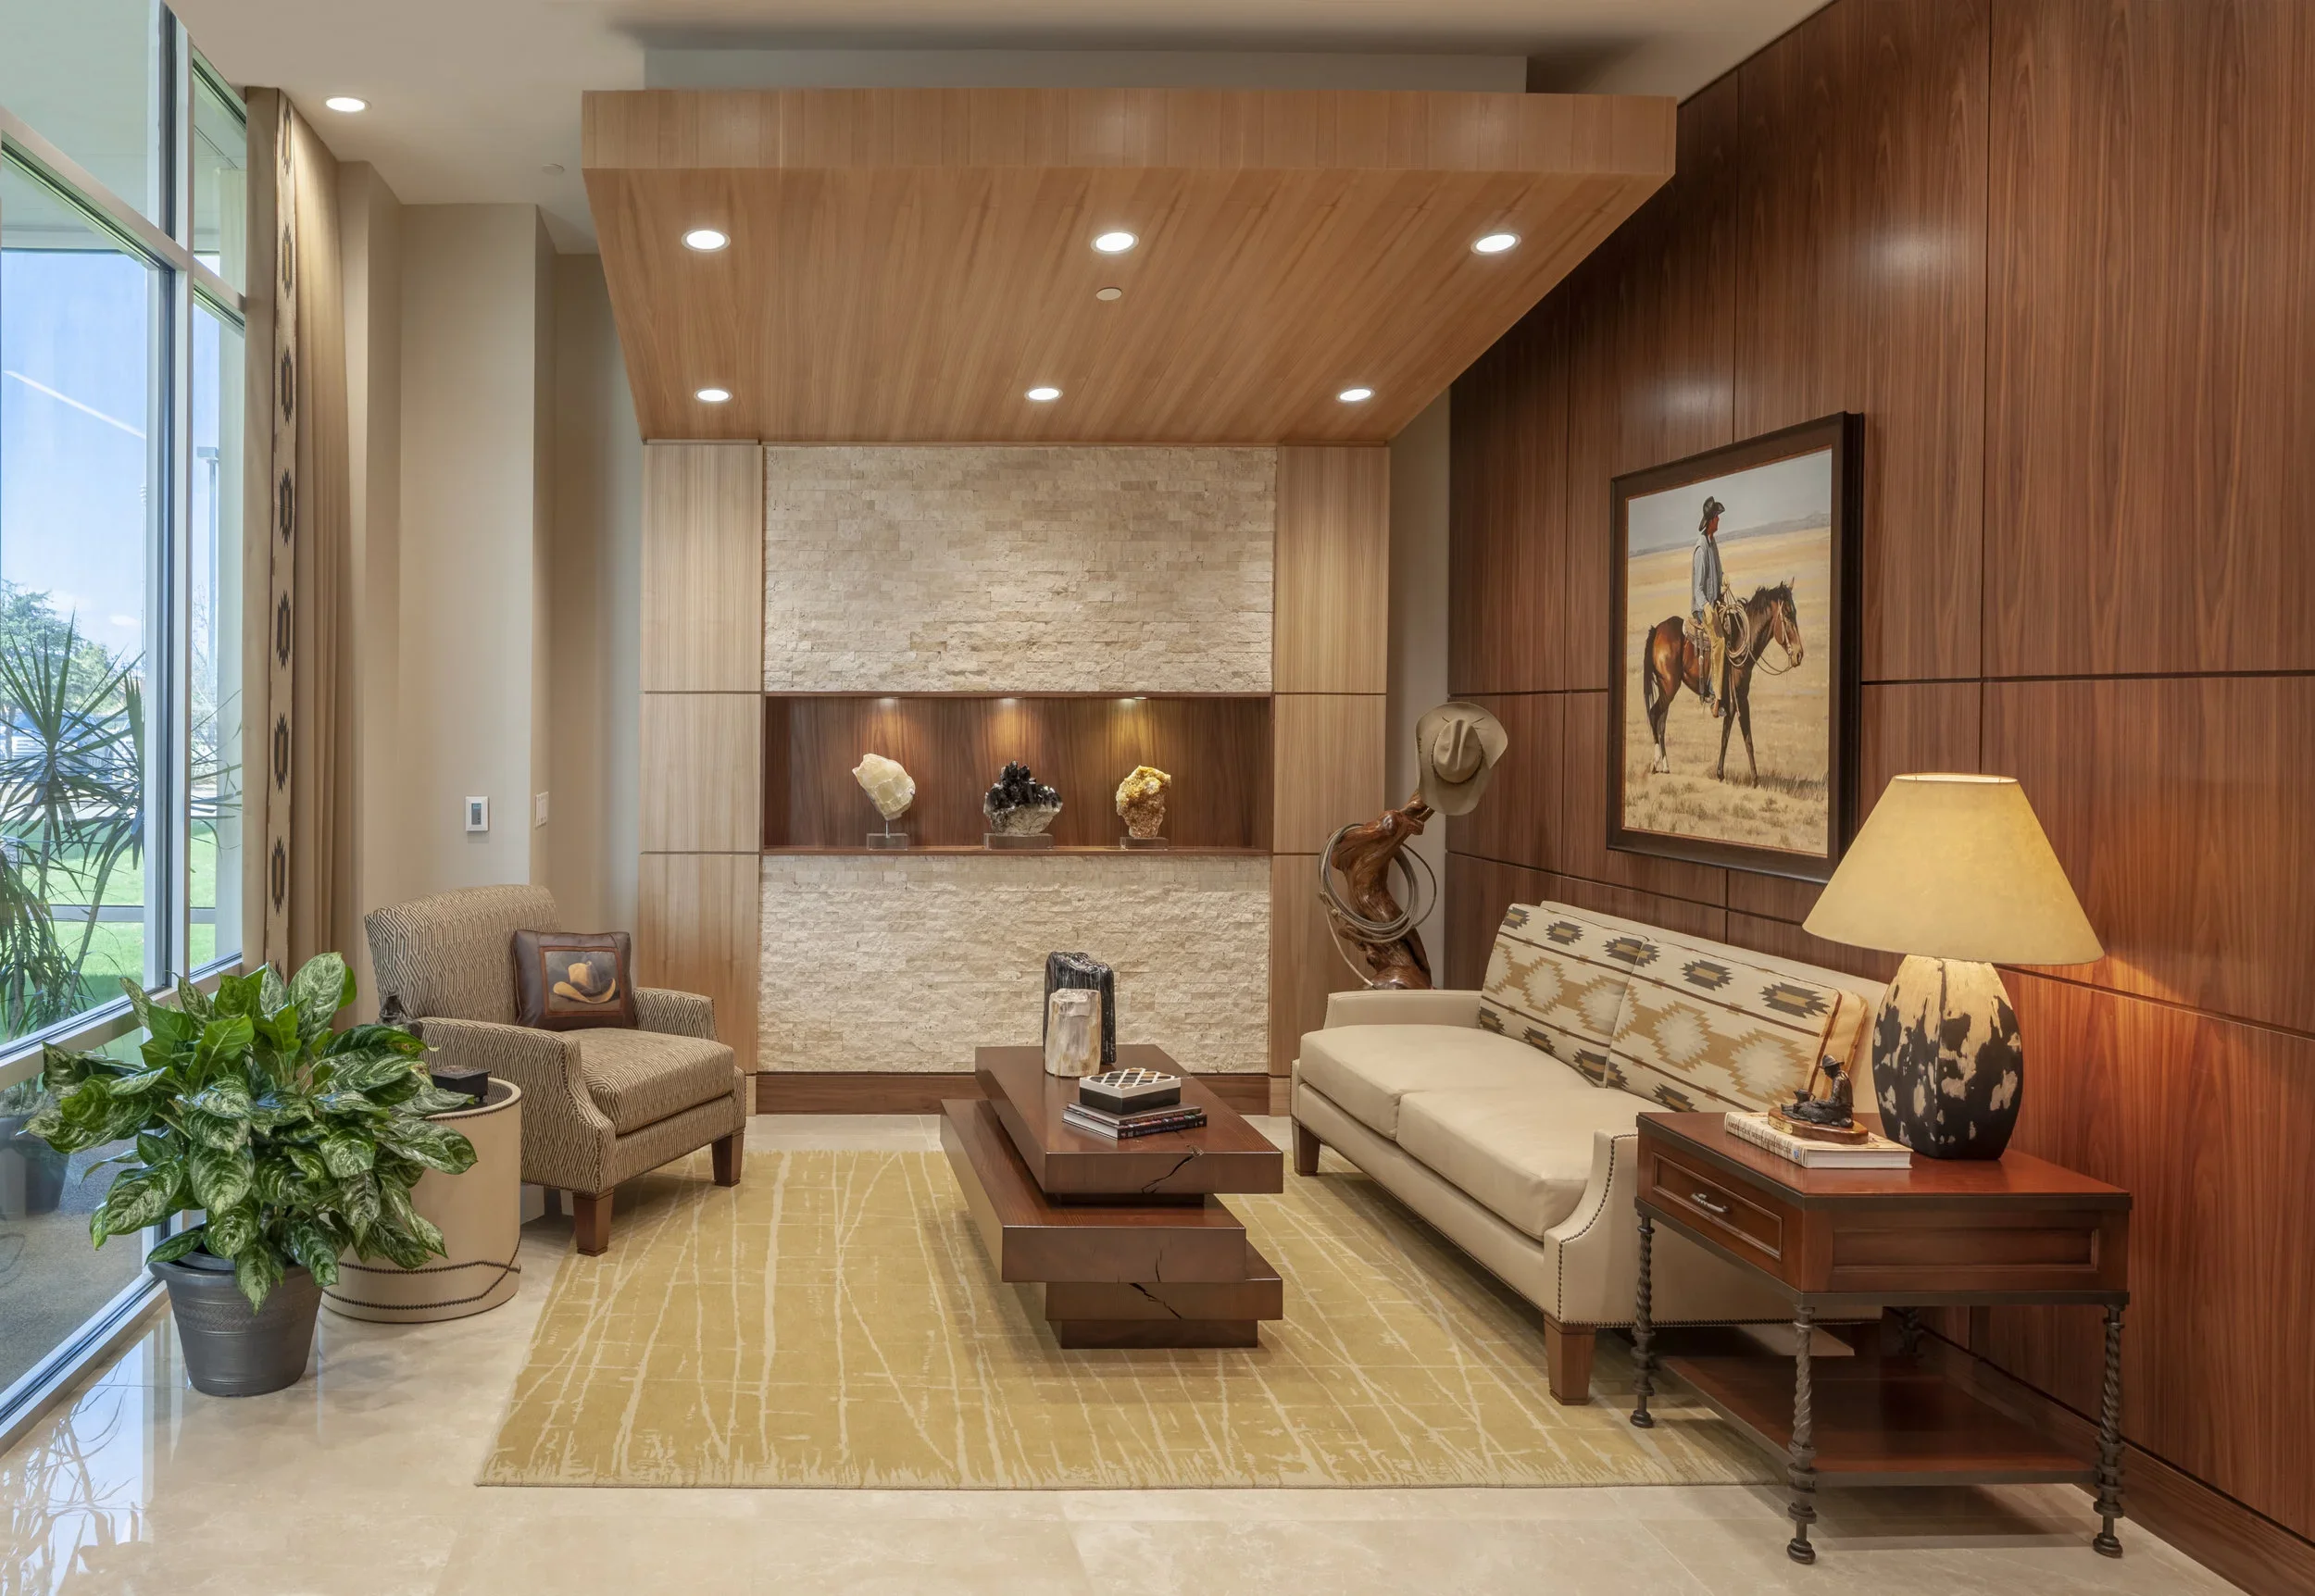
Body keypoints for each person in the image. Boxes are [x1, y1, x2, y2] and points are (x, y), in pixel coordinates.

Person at [1690, 495, 1730, 717]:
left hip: (1714, 601)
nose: (1719, 520)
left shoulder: (1713, 544)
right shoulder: (1701, 549)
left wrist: (1723, 579)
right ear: (1711, 520)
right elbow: (1698, 588)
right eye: (1717, 517)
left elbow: (1719, 571)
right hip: (1702, 607)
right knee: (1720, 641)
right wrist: (1705, 607)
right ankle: (1715, 696)